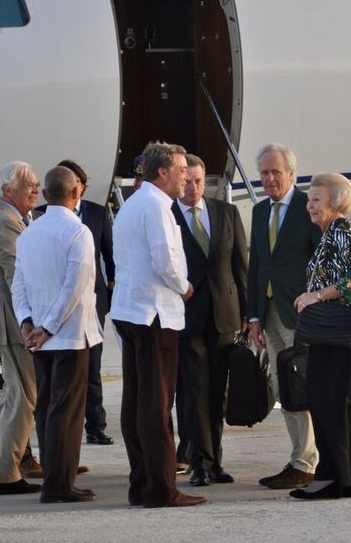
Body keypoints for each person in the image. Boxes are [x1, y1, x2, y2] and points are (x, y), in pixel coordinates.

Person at [110, 142, 206, 508]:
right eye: (182, 171)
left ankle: (142, 483)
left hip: (132, 311)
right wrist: (184, 286)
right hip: (154, 315)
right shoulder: (156, 207)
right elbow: (165, 260)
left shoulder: (134, 203)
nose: (186, 177)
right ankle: (161, 489)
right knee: (156, 404)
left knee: (137, 402)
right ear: (163, 172)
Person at [13, 166, 104, 503]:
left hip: (39, 337)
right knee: (66, 413)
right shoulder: (78, 233)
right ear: (76, 193)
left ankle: (55, 477)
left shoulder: (28, 234)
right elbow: (75, 288)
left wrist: (27, 323)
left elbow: (17, 284)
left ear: (46, 194)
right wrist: (48, 327)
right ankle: (59, 484)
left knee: (48, 408)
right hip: (67, 336)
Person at [290, 173, 351, 500]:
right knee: (337, 403)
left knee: (334, 402)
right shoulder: (331, 234)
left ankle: (336, 479)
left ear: (335, 202)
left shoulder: (343, 231)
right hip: (339, 330)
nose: (310, 205)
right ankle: (349, 479)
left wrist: (318, 295)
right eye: (309, 200)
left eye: (316, 199)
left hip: (347, 331)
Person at [247, 143, 321, 490]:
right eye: (264, 173)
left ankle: (307, 461)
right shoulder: (260, 212)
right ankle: (298, 458)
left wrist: (316, 304)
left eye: (276, 172)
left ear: (292, 174)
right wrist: (253, 316)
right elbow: (258, 266)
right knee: (283, 387)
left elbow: (322, 261)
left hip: (301, 314)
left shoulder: (309, 208)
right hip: (270, 313)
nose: (270, 178)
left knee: (303, 385)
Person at [171, 154, 248, 487]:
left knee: (218, 393)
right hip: (187, 320)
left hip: (224, 316)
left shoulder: (226, 213)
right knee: (193, 394)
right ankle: (197, 463)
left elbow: (240, 267)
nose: (193, 187)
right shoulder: (167, 216)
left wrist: (248, 314)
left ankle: (215, 460)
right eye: (187, 180)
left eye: (199, 181)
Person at [35, 159, 116, 446]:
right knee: (56, 375)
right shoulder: (40, 216)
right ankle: (58, 432)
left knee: (92, 367)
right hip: (54, 305)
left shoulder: (96, 213)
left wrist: (110, 288)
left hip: (93, 301)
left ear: (81, 187)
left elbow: (109, 255)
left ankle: (95, 424)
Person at [0, 161, 42, 495]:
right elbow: (18, 279)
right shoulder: (5, 223)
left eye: (37, 182)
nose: (36, 188)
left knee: (12, 396)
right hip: (15, 326)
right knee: (24, 398)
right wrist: (33, 323)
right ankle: (5, 474)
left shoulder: (0, 219)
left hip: (3, 322)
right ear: (7, 190)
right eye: (29, 184)